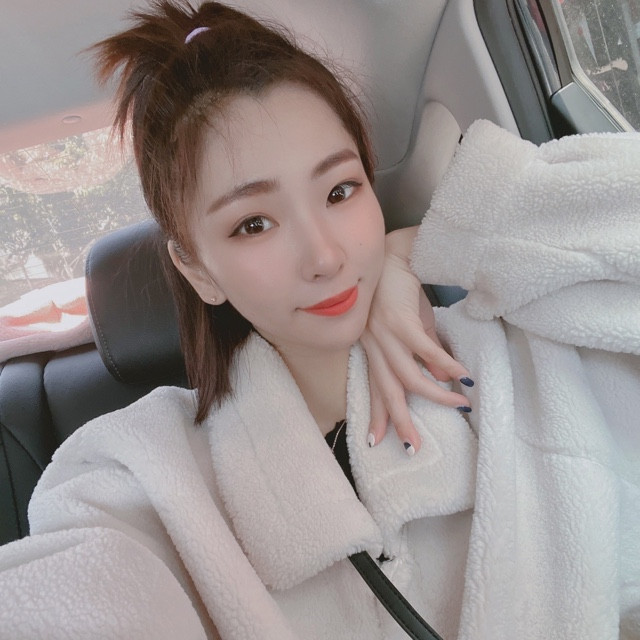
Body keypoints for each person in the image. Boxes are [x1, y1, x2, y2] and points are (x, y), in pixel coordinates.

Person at [1, 1, 639, 639]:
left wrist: (416, 248)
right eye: (254, 223)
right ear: (197, 271)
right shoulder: (142, 477)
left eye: (340, 191)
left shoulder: (514, 350)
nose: (326, 257)